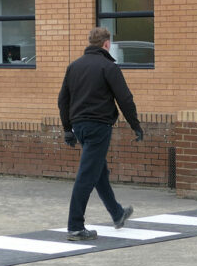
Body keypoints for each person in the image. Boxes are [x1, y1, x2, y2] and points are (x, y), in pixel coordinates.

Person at [58, 27, 144, 241]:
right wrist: (136, 125)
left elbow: (63, 100)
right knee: (86, 175)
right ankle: (75, 227)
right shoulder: (108, 67)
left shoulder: (74, 67)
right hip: (99, 127)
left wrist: (68, 129)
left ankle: (117, 213)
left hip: (80, 127)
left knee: (98, 171)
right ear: (107, 44)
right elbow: (125, 99)